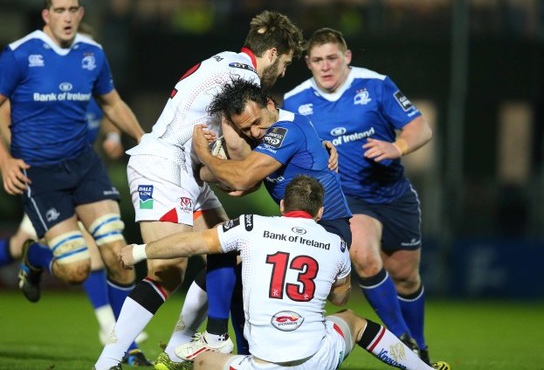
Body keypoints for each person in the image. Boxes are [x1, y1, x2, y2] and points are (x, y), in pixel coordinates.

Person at [93, 10, 304, 370]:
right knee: (168, 268)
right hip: (163, 162)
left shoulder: (228, 64)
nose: (283, 72)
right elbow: (240, 147)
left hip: (188, 168)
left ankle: (176, 347)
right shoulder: (242, 76)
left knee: (229, 251)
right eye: (284, 63)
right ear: (272, 54)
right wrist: (295, 143)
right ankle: (107, 361)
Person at [118, 175, 451, 370]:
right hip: (317, 359)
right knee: (353, 320)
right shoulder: (335, 244)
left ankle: (212, 338)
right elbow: (340, 298)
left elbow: (193, 244)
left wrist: (139, 251)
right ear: (320, 212)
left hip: (262, 363)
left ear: (281, 206)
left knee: (203, 363)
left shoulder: (251, 226)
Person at [0, 0, 149, 365]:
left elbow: (111, 102)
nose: (66, 17)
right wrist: (4, 159)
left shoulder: (92, 54)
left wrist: (142, 138)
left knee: (119, 256)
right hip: (40, 174)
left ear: (80, 13)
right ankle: (33, 258)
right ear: (45, 15)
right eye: (59, 10)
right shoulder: (19, 54)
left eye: (72, 10)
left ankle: (126, 349)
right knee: (75, 269)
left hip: (84, 166)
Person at [282, 27, 434, 364]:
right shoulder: (294, 102)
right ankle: (401, 338)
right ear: (308, 63)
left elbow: (420, 127)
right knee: (363, 255)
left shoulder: (375, 84)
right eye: (318, 60)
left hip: (393, 194)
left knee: (406, 276)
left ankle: (419, 345)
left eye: (332, 58)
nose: (326, 66)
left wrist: (398, 147)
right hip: (348, 198)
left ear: (346, 57)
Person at [173, 77, 353, 361]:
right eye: (247, 129)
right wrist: (213, 166)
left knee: (228, 248)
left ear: (270, 103)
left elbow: (241, 178)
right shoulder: (270, 136)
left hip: (326, 227)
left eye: (257, 121)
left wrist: (204, 154)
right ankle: (242, 353)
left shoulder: (285, 131)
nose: (256, 132)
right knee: (231, 260)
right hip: (299, 226)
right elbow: (240, 186)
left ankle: (217, 338)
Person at [0, 97, 148, 346]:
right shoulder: (40, 85)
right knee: (22, 247)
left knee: (100, 252)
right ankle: (34, 257)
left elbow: (110, 113)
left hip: (81, 178)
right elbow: (5, 113)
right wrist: (13, 157)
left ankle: (111, 329)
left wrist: (112, 138)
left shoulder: (90, 87)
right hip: (45, 179)